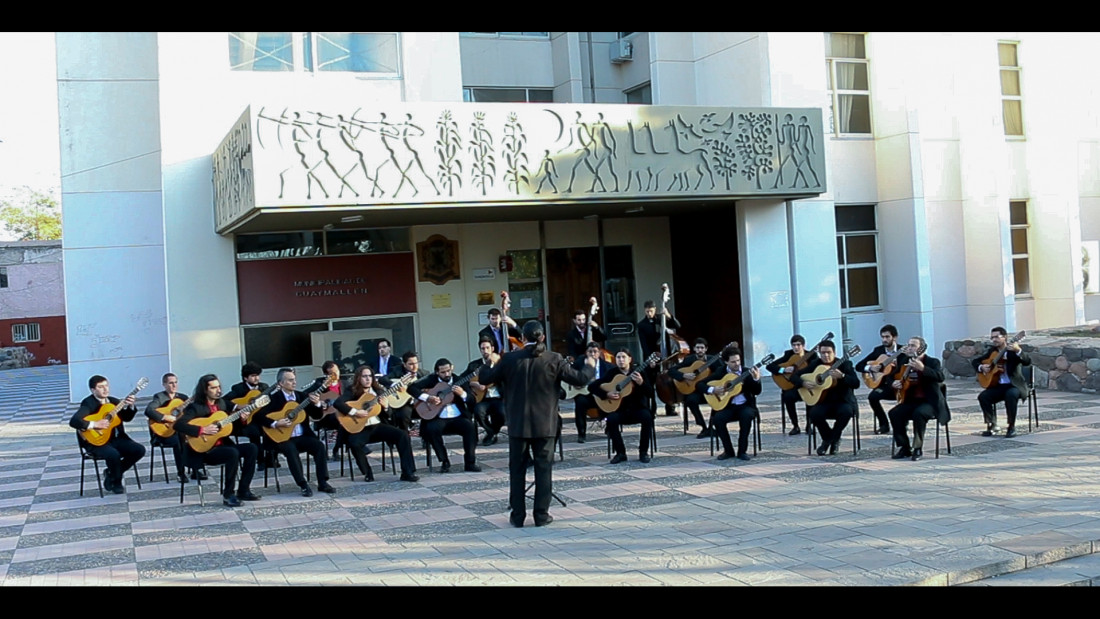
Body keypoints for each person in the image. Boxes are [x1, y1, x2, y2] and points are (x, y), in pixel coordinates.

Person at [477, 320, 595, 527]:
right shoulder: (554, 358)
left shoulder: (510, 359)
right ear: (542, 337)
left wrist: (491, 362)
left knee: (517, 471)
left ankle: (518, 516)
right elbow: (579, 379)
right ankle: (541, 515)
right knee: (543, 470)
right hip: (545, 424)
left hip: (518, 425)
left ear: (523, 338)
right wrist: (590, 366)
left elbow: (486, 378)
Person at [174, 374, 261, 506]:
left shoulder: (222, 403)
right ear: (205, 390)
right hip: (204, 451)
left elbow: (229, 427)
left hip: (222, 445)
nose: (218, 390)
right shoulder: (195, 407)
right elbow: (178, 425)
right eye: (214, 388)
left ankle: (243, 490)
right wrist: (202, 430)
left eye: (219, 387)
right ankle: (228, 494)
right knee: (232, 453)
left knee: (252, 448)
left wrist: (242, 419)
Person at [331, 365, 420, 482]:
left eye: (370, 376)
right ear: (358, 378)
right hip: (359, 428)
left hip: (377, 426)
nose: (368, 379)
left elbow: (390, 416)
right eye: (364, 376)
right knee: (354, 443)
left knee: (402, 435)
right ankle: (367, 472)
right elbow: (338, 403)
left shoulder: (379, 391)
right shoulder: (352, 391)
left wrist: (386, 407)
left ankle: (407, 472)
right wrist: (355, 412)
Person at [258, 368, 335, 497]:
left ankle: (323, 482)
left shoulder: (302, 397)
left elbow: (316, 415)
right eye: (290, 380)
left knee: (319, 446)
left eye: (294, 379)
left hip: (302, 436)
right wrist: (276, 423)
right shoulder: (273, 399)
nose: (294, 382)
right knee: (290, 450)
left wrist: (317, 404)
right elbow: (259, 416)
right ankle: (303, 484)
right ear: (281, 383)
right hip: (282, 438)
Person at [69, 375, 146, 495]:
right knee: (113, 454)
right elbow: (74, 421)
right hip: (96, 442)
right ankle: (117, 482)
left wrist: (131, 406)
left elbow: (126, 418)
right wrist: (95, 424)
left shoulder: (114, 401)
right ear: (93, 390)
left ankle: (111, 473)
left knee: (139, 450)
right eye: (100, 387)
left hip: (116, 439)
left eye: (106, 385)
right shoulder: (88, 403)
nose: (105, 389)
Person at [411, 358, 482, 473]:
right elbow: (411, 388)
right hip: (437, 417)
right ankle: (444, 461)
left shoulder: (460, 380)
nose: (447, 374)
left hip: (457, 417)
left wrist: (462, 394)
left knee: (470, 427)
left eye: (448, 371)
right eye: (443, 372)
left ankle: (470, 462)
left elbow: (472, 400)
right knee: (431, 429)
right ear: (437, 372)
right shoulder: (431, 380)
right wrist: (428, 398)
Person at [793, 340, 859, 456]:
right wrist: (802, 383)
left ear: (834, 352)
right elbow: (794, 376)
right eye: (823, 353)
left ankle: (828, 441)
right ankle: (830, 439)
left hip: (842, 401)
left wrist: (842, 376)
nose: (826, 355)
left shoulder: (845, 364)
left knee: (846, 412)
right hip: (823, 401)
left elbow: (856, 383)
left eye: (828, 352)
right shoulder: (816, 364)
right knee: (814, 413)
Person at [888, 336, 948, 461]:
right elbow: (891, 377)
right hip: (911, 400)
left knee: (919, 414)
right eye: (909, 345)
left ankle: (918, 448)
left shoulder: (932, 362)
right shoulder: (905, 360)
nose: (909, 348)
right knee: (894, 413)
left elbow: (940, 377)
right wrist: (893, 383)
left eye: (913, 346)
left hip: (930, 402)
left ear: (921, 348)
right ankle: (904, 447)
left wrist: (923, 368)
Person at [591, 349, 652, 464]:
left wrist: (641, 383)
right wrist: (606, 394)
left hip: (637, 409)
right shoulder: (611, 373)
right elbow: (592, 387)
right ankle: (620, 453)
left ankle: (643, 452)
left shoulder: (639, 373)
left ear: (629, 359)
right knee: (611, 419)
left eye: (624, 357)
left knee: (647, 417)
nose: (621, 360)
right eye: (618, 357)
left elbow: (650, 393)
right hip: (619, 410)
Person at [973, 326, 1031, 438]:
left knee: (1011, 394)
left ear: (1004, 337)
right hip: (998, 385)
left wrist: (1018, 350)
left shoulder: (1012, 351)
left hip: (1014, 385)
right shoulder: (992, 352)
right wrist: (982, 367)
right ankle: (992, 424)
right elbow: (976, 361)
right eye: (992, 337)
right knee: (983, 396)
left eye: (997, 337)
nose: (994, 339)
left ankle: (1011, 427)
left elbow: (1027, 362)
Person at [704, 347, 760, 461]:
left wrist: (756, 379)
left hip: (745, 406)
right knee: (718, 419)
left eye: (738, 360)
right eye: (733, 362)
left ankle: (742, 451)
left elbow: (757, 391)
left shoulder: (746, 372)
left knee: (746, 416)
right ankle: (728, 451)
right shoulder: (721, 372)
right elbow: (700, 384)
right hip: (727, 406)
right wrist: (713, 390)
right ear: (726, 362)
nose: (737, 364)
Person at [143, 372, 193, 484]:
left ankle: (195, 469)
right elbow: (149, 411)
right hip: (163, 434)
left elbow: (191, 413)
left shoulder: (183, 398)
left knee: (192, 436)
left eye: (175, 382)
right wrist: (165, 417)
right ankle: (181, 473)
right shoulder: (160, 397)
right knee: (178, 440)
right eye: (171, 383)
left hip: (179, 432)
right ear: (164, 385)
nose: (174, 385)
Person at [637, 299, 682, 417]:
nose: (649, 314)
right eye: (647, 311)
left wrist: (668, 315)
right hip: (652, 356)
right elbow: (644, 345)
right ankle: (652, 409)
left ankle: (670, 407)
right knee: (650, 383)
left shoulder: (661, 319)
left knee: (669, 381)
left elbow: (677, 325)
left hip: (666, 356)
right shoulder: (641, 325)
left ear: (655, 310)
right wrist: (650, 360)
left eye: (651, 311)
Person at [855, 324, 901, 435]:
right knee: (872, 397)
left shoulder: (902, 351)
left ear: (894, 337)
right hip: (884, 385)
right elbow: (858, 366)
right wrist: (870, 368)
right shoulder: (878, 351)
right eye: (882, 337)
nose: (884, 340)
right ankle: (884, 424)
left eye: (887, 337)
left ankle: (901, 423)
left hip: (899, 384)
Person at [461, 337, 507, 445]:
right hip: (482, 398)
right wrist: (473, 384)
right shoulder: (474, 365)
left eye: (487, 348)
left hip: (498, 397)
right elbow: (462, 379)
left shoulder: (500, 364)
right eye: (482, 348)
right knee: (478, 412)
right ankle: (491, 432)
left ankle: (493, 432)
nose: (485, 351)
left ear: (492, 348)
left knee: (502, 413)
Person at [224, 361, 270, 467]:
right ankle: (260, 460)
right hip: (245, 421)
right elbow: (224, 401)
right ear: (245, 378)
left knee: (273, 427)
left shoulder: (264, 387)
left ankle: (271, 458)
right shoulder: (238, 389)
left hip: (261, 418)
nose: (257, 378)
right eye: (253, 376)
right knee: (255, 432)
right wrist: (238, 406)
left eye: (258, 375)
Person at [668, 338, 714, 437]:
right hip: (695, 390)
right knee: (690, 400)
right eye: (697, 348)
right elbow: (671, 371)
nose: (700, 350)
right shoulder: (689, 360)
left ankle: (711, 427)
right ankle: (703, 427)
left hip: (708, 389)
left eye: (702, 348)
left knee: (718, 400)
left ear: (706, 349)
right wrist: (684, 376)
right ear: (694, 348)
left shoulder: (712, 359)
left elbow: (722, 371)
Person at [571, 342, 615, 443]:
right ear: (586, 352)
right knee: (580, 402)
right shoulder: (580, 362)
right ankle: (581, 434)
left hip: (601, 394)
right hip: (586, 395)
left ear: (599, 353)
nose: (592, 354)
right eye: (590, 351)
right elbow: (570, 374)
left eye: (595, 351)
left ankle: (610, 429)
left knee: (612, 401)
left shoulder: (608, 366)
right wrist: (575, 382)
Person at [766, 335, 811, 436]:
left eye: (798, 345)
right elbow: (770, 366)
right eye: (793, 345)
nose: (796, 347)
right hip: (790, 386)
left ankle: (809, 425)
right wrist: (783, 370)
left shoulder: (811, 356)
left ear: (803, 345)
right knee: (787, 397)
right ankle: (795, 426)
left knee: (811, 397)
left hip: (804, 385)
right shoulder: (788, 355)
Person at [310, 361, 345, 461]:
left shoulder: (345, 384)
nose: (336, 375)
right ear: (326, 375)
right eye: (332, 374)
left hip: (341, 416)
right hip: (325, 417)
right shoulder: (319, 383)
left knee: (344, 421)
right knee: (340, 419)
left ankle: (336, 449)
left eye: (337, 371)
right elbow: (307, 395)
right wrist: (320, 401)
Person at [385, 351, 426, 431]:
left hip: (420, 402)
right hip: (405, 403)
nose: (414, 367)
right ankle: (405, 436)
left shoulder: (424, 374)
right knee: (403, 415)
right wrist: (396, 386)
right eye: (411, 364)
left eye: (416, 363)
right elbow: (383, 379)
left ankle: (426, 436)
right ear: (404, 364)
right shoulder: (397, 370)